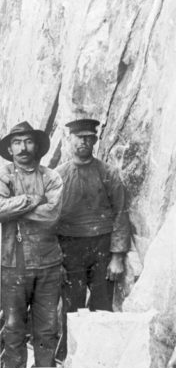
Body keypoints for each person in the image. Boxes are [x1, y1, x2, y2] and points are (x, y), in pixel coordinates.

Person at [0, 121, 63, 368]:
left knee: (46, 326)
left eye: (28, 142)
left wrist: (14, 209)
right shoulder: (0, 175)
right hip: (12, 261)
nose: (23, 148)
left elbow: (52, 215)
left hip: (47, 262)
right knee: (14, 325)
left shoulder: (52, 177)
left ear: (37, 146)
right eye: (17, 143)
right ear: (9, 148)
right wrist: (32, 200)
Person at [56, 118, 130, 346]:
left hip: (101, 248)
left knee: (102, 306)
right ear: (69, 140)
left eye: (89, 138)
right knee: (72, 308)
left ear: (95, 141)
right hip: (70, 249)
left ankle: (101, 356)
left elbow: (120, 213)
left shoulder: (107, 173)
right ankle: (70, 360)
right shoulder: (57, 176)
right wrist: (56, 259)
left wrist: (117, 257)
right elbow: (48, 221)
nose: (84, 142)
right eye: (79, 138)